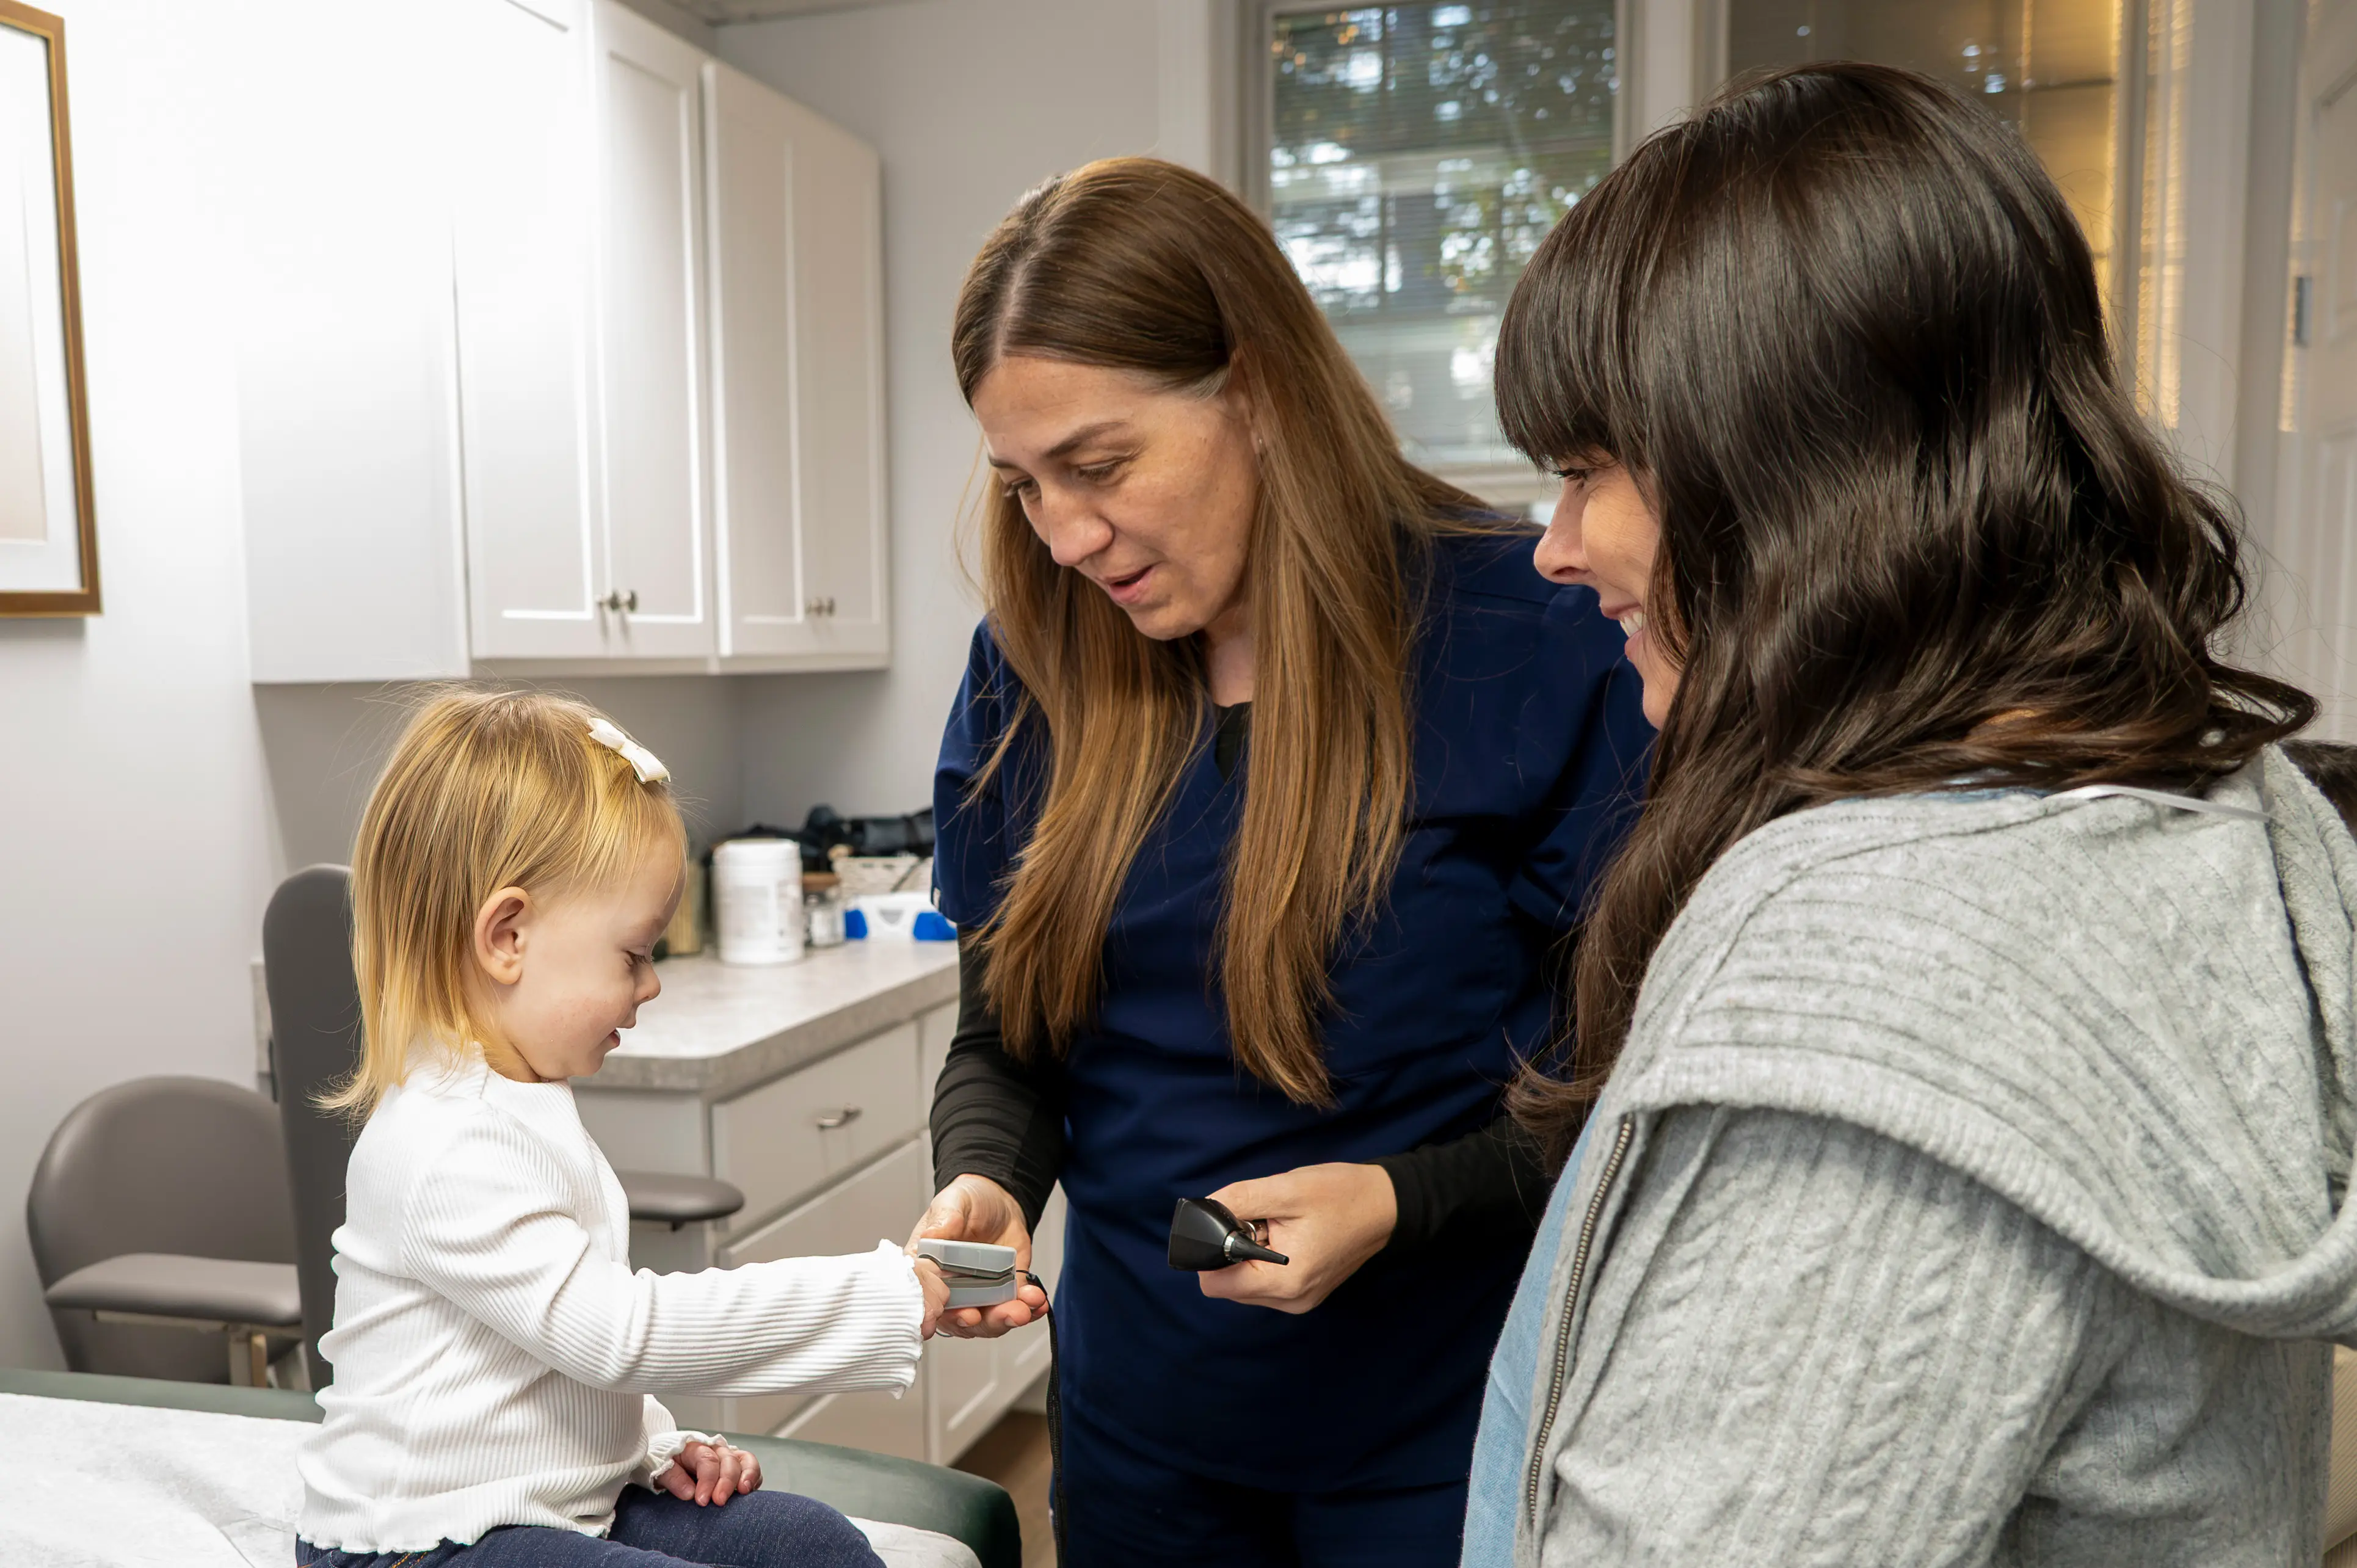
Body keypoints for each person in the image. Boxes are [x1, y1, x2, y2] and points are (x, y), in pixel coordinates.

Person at [1473, 60, 2355, 1567]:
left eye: (1586, 473)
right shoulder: (2193, 810)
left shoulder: (1887, 980)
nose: (1554, 549)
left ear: (1788, 482)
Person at [908, 157, 1652, 1567]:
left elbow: (1626, 1084)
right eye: (1022, 487)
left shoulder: (1532, 629)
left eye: (1100, 464)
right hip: (1138, 1441)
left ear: (1253, 389)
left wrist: (1397, 1198)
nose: (1064, 538)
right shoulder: (1029, 673)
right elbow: (1011, 1043)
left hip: (1438, 1439)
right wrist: (987, 1181)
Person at [296, 690, 950, 1568]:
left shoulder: (521, 1101)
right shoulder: (445, 1142)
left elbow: (542, 1352)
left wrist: (653, 1445)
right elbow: (616, 1332)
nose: (651, 986)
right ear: (507, 936)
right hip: (419, 1544)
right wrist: (884, 1298)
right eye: (634, 954)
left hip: (548, 1507)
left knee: (812, 1544)